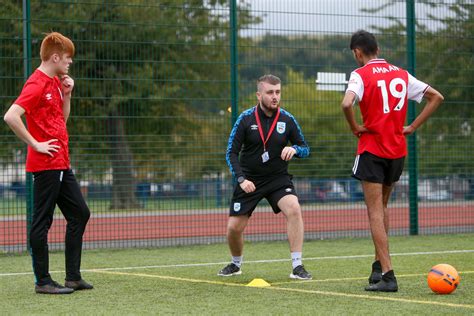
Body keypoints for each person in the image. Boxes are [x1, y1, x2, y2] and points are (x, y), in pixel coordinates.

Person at [341, 30, 444, 292]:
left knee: (375, 211)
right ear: (378, 48)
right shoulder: (400, 73)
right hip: (397, 150)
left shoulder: (359, 74)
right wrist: (412, 127)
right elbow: (436, 97)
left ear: (357, 52)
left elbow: (346, 104)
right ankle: (378, 267)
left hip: (373, 149)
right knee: (383, 208)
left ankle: (388, 274)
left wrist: (355, 127)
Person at [4, 32, 93, 294]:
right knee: (42, 223)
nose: (70, 63)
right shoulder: (36, 83)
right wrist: (35, 144)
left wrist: (67, 94)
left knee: (80, 213)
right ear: (55, 57)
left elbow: (61, 120)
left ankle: (72, 278)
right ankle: (42, 281)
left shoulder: (55, 83)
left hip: (61, 162)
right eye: (67, 58)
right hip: (45, 165)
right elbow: (11, 116)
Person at [219, 74, 312, 280]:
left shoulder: (287, 119)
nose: (274, 96)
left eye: (277, 92)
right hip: (249, 180)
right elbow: (231, 153)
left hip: (278, 179)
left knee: (294, 208)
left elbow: (306, 149)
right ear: (259, 94)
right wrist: (242, 180)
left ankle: (297, 266)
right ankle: (236, 264)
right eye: (270, 92)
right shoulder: (245, 119)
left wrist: (295, 149)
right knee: (234, 228)